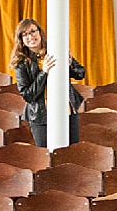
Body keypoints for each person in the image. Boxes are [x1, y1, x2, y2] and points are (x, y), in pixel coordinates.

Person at [10, 17, 84, 147]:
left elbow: (80, 74)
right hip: (40, 116)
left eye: (33, 31)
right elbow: (28, 95)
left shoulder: (55, 51)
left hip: (67, 111)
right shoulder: (21, 63)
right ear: (21, 39)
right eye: (25, 34)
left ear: (40, 32)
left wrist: (70, 64)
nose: (30, 36)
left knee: (71, 152)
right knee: (46, 155)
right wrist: (43, 72)